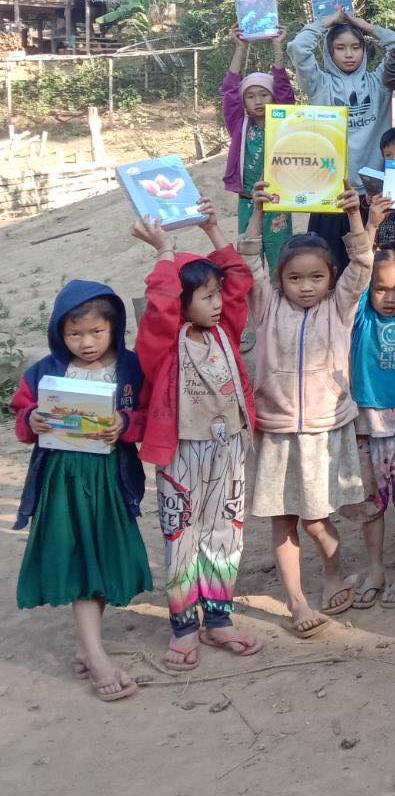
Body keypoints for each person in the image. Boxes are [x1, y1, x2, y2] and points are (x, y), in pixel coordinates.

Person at [132, 196, 259, 670]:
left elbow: (240, 281)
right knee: (182, 534)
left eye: (215, 293)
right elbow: (160, 304)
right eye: (206, 296)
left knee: (225, 531)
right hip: (183, 451)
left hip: (228, 450)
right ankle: (184, 624)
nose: (218, 302)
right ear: (182, 305)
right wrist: (164, 250)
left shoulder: (225, 329)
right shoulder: (164, 345)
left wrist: (213, 232)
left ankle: (220, 618)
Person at [243, 181, 373, 637]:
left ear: (331, 278)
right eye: (294, 278)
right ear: (279, 280)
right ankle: (297, 601)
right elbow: (247, 262)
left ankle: (334, 568)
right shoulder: (265, 307)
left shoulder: (340, 307)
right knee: (283, 520)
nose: (305, 286)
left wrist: (355, 215)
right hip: (277, 429)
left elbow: (363, 262)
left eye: (316, 277)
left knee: (317, 519)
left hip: (321, 429)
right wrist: (256, 212)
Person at [11, 279, 149, 702]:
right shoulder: (46, 370)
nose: (85, 343)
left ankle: (87, 646)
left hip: (109, 480)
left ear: (114, 328)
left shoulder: (130, 368)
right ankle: (95, 653)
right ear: (58, 331)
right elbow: (22, 418)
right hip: (63, 480)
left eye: (96, 332)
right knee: (78, 557)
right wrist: (32, 418)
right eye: (74, 333)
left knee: (101, 554)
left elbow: (146, 415)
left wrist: (124, 424)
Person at [343, 240, 395, 608]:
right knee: (370, 505)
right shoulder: (361, 318)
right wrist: (368, 227)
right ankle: (375, 568)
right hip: (366, 424)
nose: (390, 298)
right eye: (381, 288)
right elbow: (358, 275)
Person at [288, 6, 395, 267]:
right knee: (326, 264)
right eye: (340, 48)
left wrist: (367, 27)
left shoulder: (379, 82)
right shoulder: (319, 83)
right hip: (331, 193)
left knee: (369, 266)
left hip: (373, 193)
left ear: (364, 49)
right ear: (329, 52)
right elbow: (298, 49)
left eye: (356, 47)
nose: (349, 54)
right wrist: (327, 21)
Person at [222, 28, 295, 271]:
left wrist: (277, 48)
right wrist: (239, 48)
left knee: (280, 260)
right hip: (247, 201)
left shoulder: (283, 123)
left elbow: (285, 91)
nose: (258, 100)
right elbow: (229, 92)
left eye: (264, 94)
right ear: (244, 103)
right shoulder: (240, 126)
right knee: (249, 259)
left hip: (278, 201)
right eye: (251, 96)